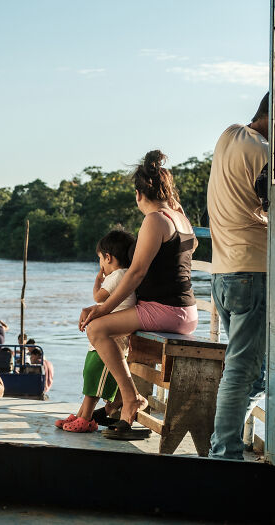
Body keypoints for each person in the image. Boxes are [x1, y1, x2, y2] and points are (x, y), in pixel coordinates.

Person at [79, 150, 198, 439]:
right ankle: (119, 401)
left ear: (138, 194)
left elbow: (136, 273)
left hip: (165, 310)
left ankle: (130, 399)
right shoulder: (181, 219)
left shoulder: (155, 220)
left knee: (96, 329)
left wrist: (103, 308)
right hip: (186, 311)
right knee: (110, 330)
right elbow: (188, 251)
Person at [206, 94, 270, 460]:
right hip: (252, 272)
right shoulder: (265, 152)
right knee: (242, 371)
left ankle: (226, 442)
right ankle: (225, 453)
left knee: (254, 374)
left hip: (222, 274)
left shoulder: (228, 136)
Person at [58, 230, 136, 432]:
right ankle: (82, 415)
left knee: (95, 378)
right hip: (107, 336)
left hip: (111, 339)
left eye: (100, 259)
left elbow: (98, 297)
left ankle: (86, 418)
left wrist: (98, 280)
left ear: (108, 258)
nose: (100, 264)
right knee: (90, 374)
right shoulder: (126, 275)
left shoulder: (118, 275)